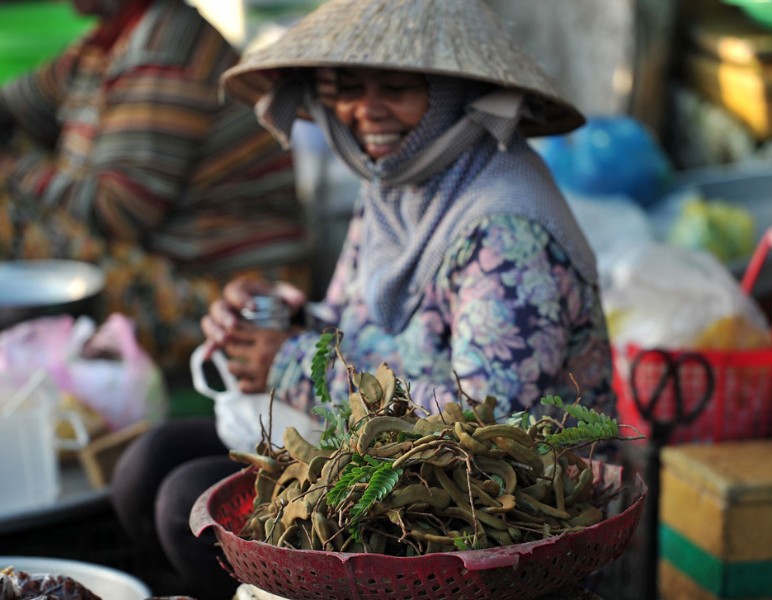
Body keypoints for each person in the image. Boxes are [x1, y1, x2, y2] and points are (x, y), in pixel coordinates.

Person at [113, 0, 617, 597]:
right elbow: (359, 327)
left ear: (456, 92)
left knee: (186, 505)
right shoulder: (399, 181)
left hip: (479, 512)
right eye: (346, 88)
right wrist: (281, 321)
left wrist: (290, 361)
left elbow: (489, 425)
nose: (366, 111)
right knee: (152, 460)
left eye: (399, 88)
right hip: (384, 452)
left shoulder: (508, 231)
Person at [0, 0, 309, 373]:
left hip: (216, 297)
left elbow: (118, 210)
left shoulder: (164, 49)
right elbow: (14, 107)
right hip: (155, 263)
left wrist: (13, 169)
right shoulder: (100, 46)